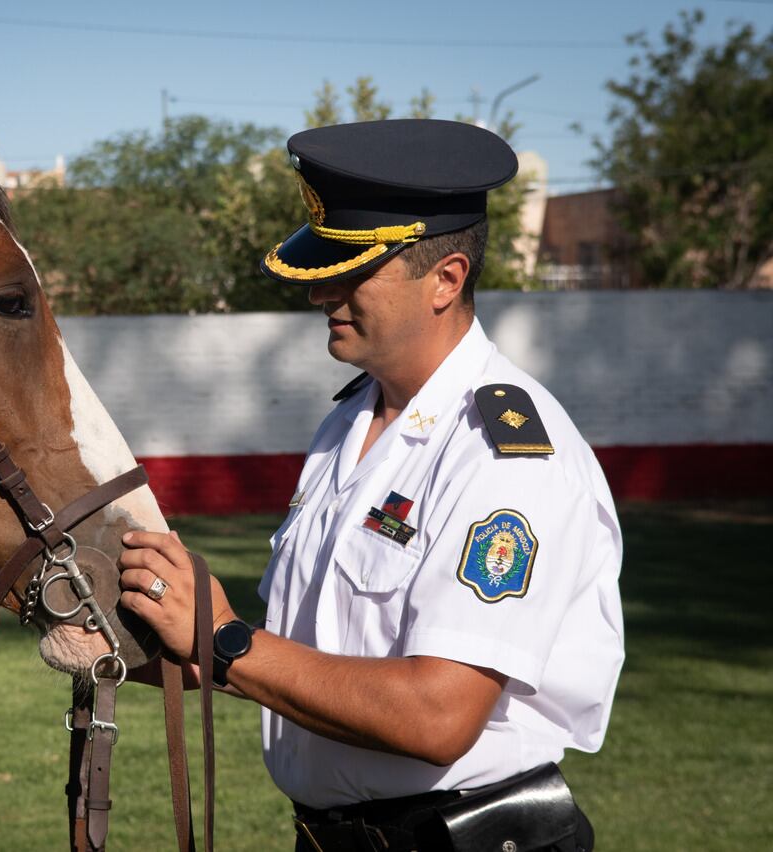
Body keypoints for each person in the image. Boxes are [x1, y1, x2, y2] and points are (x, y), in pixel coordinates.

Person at [118, 119, 624, 852]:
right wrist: (147, 625)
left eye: (354, 272)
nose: (325, 290)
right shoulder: (352, 420)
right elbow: (309, 657)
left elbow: (438, 717)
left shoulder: (506, 452)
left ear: (445, 281)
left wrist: (228, 639)